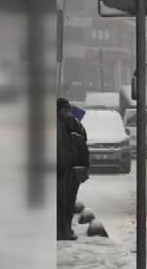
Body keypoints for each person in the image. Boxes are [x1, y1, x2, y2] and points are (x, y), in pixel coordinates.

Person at [57, 97, 89, 240]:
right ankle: (61, 230)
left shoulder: (74, 124)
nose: (67, 112)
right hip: (61, 170)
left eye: (68, 109)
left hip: (71, 170)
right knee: (60, 202)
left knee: (68, 202)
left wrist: (84, 167)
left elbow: (83, 144)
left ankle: (65, 230)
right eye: (64, 109)